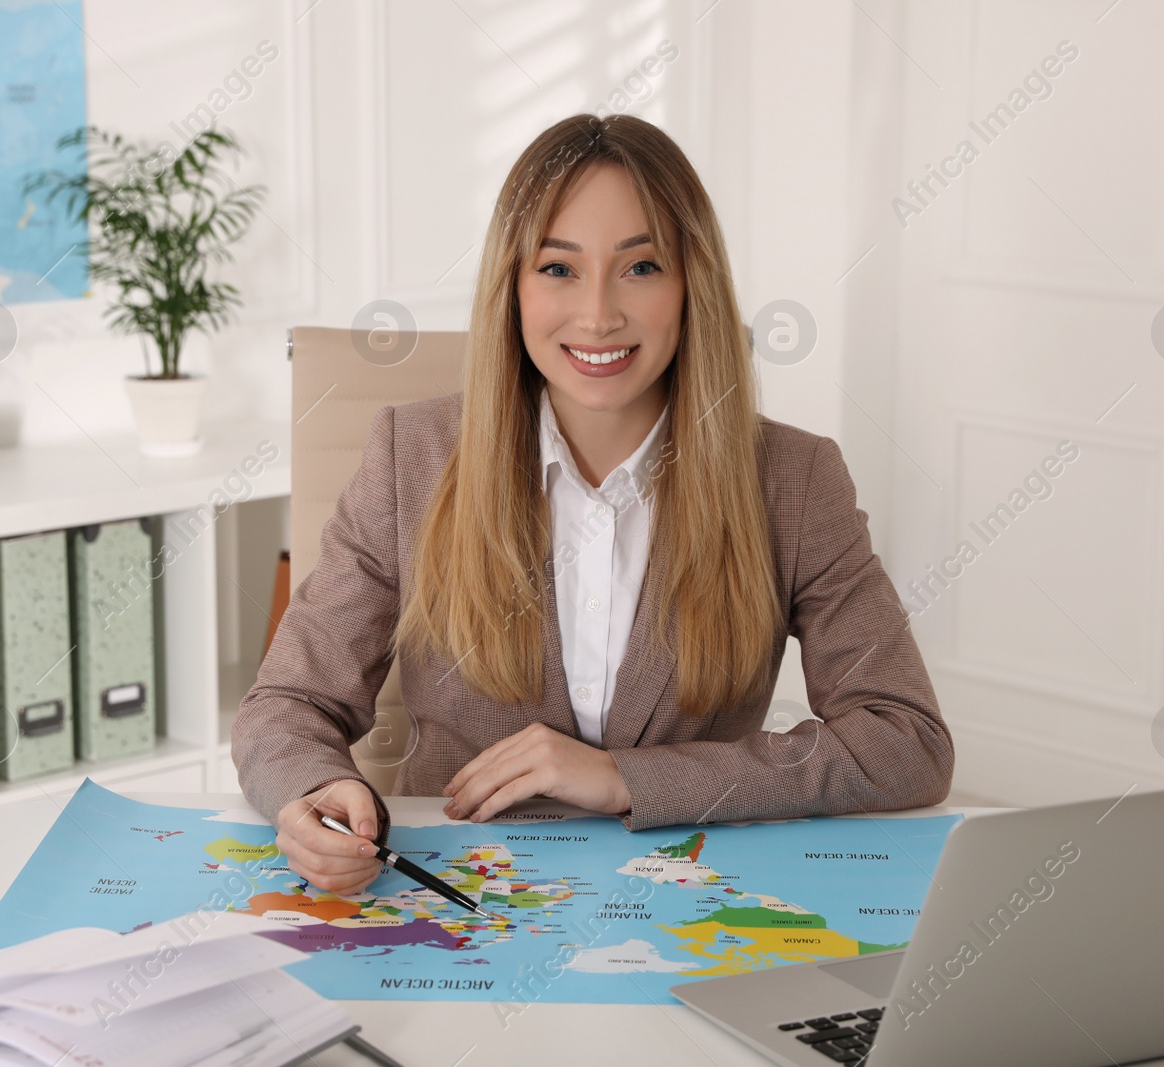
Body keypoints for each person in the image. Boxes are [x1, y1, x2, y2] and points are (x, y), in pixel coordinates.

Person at [233, 113, 953, 896]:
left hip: (683, 900)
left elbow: (905, 740)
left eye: (640, 267)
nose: (599, 314)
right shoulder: (414, 455)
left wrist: (626, 777)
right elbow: (289, 704)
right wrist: (312, 790)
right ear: (512, 285)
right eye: (559, 268)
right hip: (460, 900)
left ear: (691, 286)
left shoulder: (794, 477)